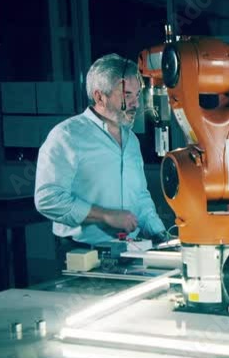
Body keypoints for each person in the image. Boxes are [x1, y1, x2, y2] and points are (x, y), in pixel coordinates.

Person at [35, 53, 167, 253]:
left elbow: (139, 196)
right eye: (127, 95)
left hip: (130, 250)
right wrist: (105, 215)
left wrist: (162, 236)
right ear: (99, 97)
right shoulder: (67, 136)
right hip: (82, 253)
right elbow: (47, 199)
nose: (136, 104)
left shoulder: (131, 140)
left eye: (137, 95)